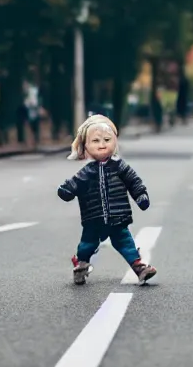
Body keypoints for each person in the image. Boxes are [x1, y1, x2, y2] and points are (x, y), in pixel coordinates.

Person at [57, 114, 157, 285]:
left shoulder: (120, 167)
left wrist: (141, 196)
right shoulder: (86, 172)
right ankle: (81, 264)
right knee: (87, 245)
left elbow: (134, 182)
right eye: (95, 141)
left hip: (118, 217)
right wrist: (66, 191)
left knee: (126, 243)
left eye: (106, 139)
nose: (102, 145)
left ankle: (139, 268)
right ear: (85, 146)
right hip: (93, 219)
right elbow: (72, 185)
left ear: (115, 142)